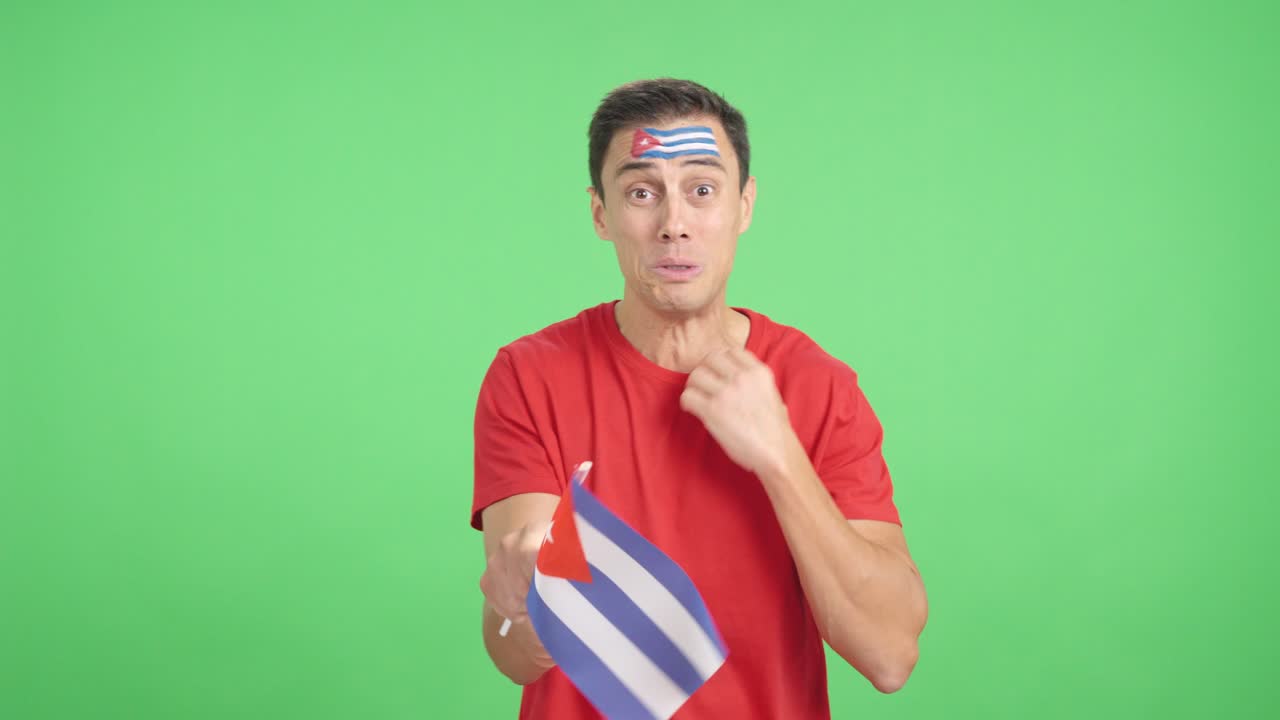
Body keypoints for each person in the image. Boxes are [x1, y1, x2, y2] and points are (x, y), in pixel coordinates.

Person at [472, 78, 928, 719]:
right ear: (601, 213)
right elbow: (515, 655)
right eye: (640, 192)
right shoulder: (529, 377)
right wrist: (521, 605)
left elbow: (888, 655)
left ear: (744, 206)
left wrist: (778, 455)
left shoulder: (819, 386)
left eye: (702, 190)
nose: (674, 225)